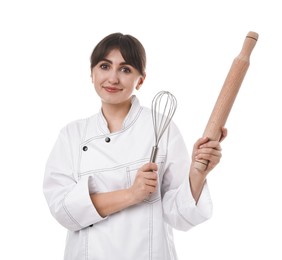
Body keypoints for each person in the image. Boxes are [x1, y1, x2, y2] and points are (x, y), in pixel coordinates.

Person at [43, 32, 227, 260]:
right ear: (91, 73)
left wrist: (198, 173)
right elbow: (64, 211)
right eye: (104, 66)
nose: (112, 78)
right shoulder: (72, 135)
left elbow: (180, 216)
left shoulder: (162, 128)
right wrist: (132, 194)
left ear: (140, 80)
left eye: (125, 69)